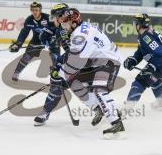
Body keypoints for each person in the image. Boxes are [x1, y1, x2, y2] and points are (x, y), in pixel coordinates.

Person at [51, 8, 125, 139]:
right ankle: (100, 108)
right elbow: (74, 57)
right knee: (73, 81)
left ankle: (116, 124)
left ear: (73, 23)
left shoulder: (79, 35)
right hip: (98, 60)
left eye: (65, 24)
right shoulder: (80, 29)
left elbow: (75, 63)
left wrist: (59, 73)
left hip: (109, 60)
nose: (64, 26)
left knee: (99, 89)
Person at [124, 14, 162, 111]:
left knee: (140, 81)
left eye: (135, 23)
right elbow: (141, 52)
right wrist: (133, 61)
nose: (134, 25)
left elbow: (160, 52)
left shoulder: (145, 37)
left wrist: (152, 67)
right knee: (154, 81)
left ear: (139, 24)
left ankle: (127, 108)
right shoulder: (148, 33)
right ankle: (161, 103)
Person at [9, 2, 57, 81]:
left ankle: (56, 76)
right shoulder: (29, 19)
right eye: (32, 10)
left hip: (49, 38)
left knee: (55, 56)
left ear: (40, 10)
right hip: (36, 39)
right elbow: (24, 33)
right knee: (27, 56)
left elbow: (56, 28)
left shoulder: (48, 17)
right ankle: (16, 73)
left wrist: (55, 39)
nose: (34, 12)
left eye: (36, 10)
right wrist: (18, 43)